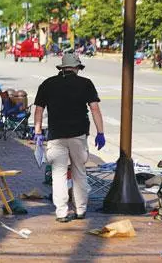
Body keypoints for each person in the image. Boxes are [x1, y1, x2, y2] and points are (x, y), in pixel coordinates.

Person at [33, 53, 105, 223]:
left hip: (56, 135)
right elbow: (94, 108)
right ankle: (80, 209)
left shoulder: (48, 83)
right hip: (78, 135)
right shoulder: (85, 83)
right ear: (77, 68)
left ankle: (61, 212)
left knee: (58, 174)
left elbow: (38, 110)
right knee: (79, 171)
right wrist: (100, 132)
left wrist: (37, 132)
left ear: (62, 68)